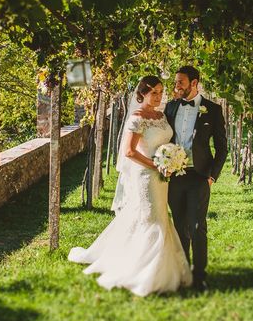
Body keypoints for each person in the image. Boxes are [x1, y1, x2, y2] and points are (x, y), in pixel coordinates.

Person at [68, 75, 192, 296]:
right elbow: (129, 152)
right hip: (145, 175)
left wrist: (172, 159)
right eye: (153, 92)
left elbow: (166, 142)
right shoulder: (137, 118)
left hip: (162, 176)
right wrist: (156, 165)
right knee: (150, 218)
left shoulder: (161, 116)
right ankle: (145, 273)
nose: (158, 96)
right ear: (142, 93)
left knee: (159, 216)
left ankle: (162, 269)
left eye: (161, 91)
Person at [165, 65, 227, 292]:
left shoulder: (213, 109)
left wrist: (212, 176)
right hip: (174, 176)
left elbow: (222, 147)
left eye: (180, 82)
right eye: (176, 82)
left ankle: (199, 277)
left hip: (200, 176)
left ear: (194, 83)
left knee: (198, 225)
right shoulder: (170, 107)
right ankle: (184, 273)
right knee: (180, 226)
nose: (176, 86)